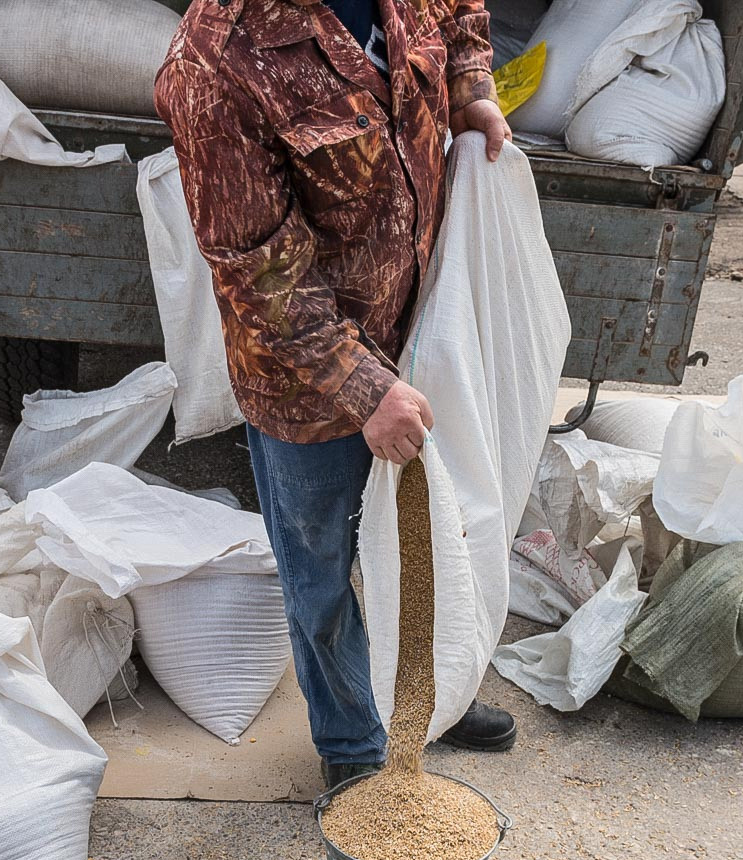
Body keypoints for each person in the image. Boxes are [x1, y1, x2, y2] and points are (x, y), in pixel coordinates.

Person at [155, 0, 519, 788]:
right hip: (305, 378)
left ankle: (432, 706)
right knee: (323, 571)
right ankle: (354, 745)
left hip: (423, 327)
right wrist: (363, 389)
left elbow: (461, 17)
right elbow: (255, 264)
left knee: (434, 534)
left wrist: (470, 90)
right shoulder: (216, 59)